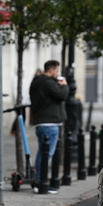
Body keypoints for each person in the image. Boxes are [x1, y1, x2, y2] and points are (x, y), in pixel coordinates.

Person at [29, 60, 69, 194]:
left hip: (40, 123)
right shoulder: (48, 83)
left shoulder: (36, 82)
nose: (57, 74)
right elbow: (62, 95)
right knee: (47, 154)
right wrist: (64, 85)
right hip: (50, 124)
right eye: (57, 71)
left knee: (42, 153)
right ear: (51, 70)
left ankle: (39, 182)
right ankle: (42, 184)